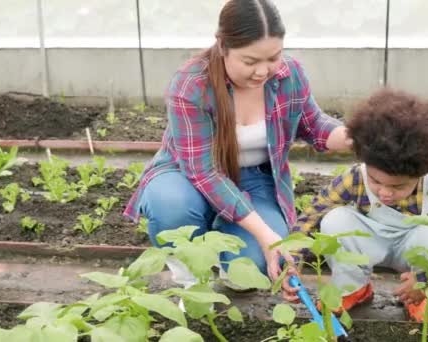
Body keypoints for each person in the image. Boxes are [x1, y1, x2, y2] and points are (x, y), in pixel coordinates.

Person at [123, 0, 351, 296]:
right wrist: (266, 234)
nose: (263, 71)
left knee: (253, 269)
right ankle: (190, 282)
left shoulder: (289, 75)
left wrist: (351, 136)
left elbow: (313, 123)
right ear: (222, 45)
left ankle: (227, 252)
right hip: (187, 176)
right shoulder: (191, 84)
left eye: (273, 57)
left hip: (255, 179)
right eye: (250, 61)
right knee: (172, 206)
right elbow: (202, 172)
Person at [290, 89, 428, 322]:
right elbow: (311, 216)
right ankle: (353, 289)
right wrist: (293, 260)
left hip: (412, 249)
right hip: (369, 244)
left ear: (422, 173)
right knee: (334, 220)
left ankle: (419, 297)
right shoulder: (356, 178)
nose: (384, 192)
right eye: (376, 181)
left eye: (398, 187)